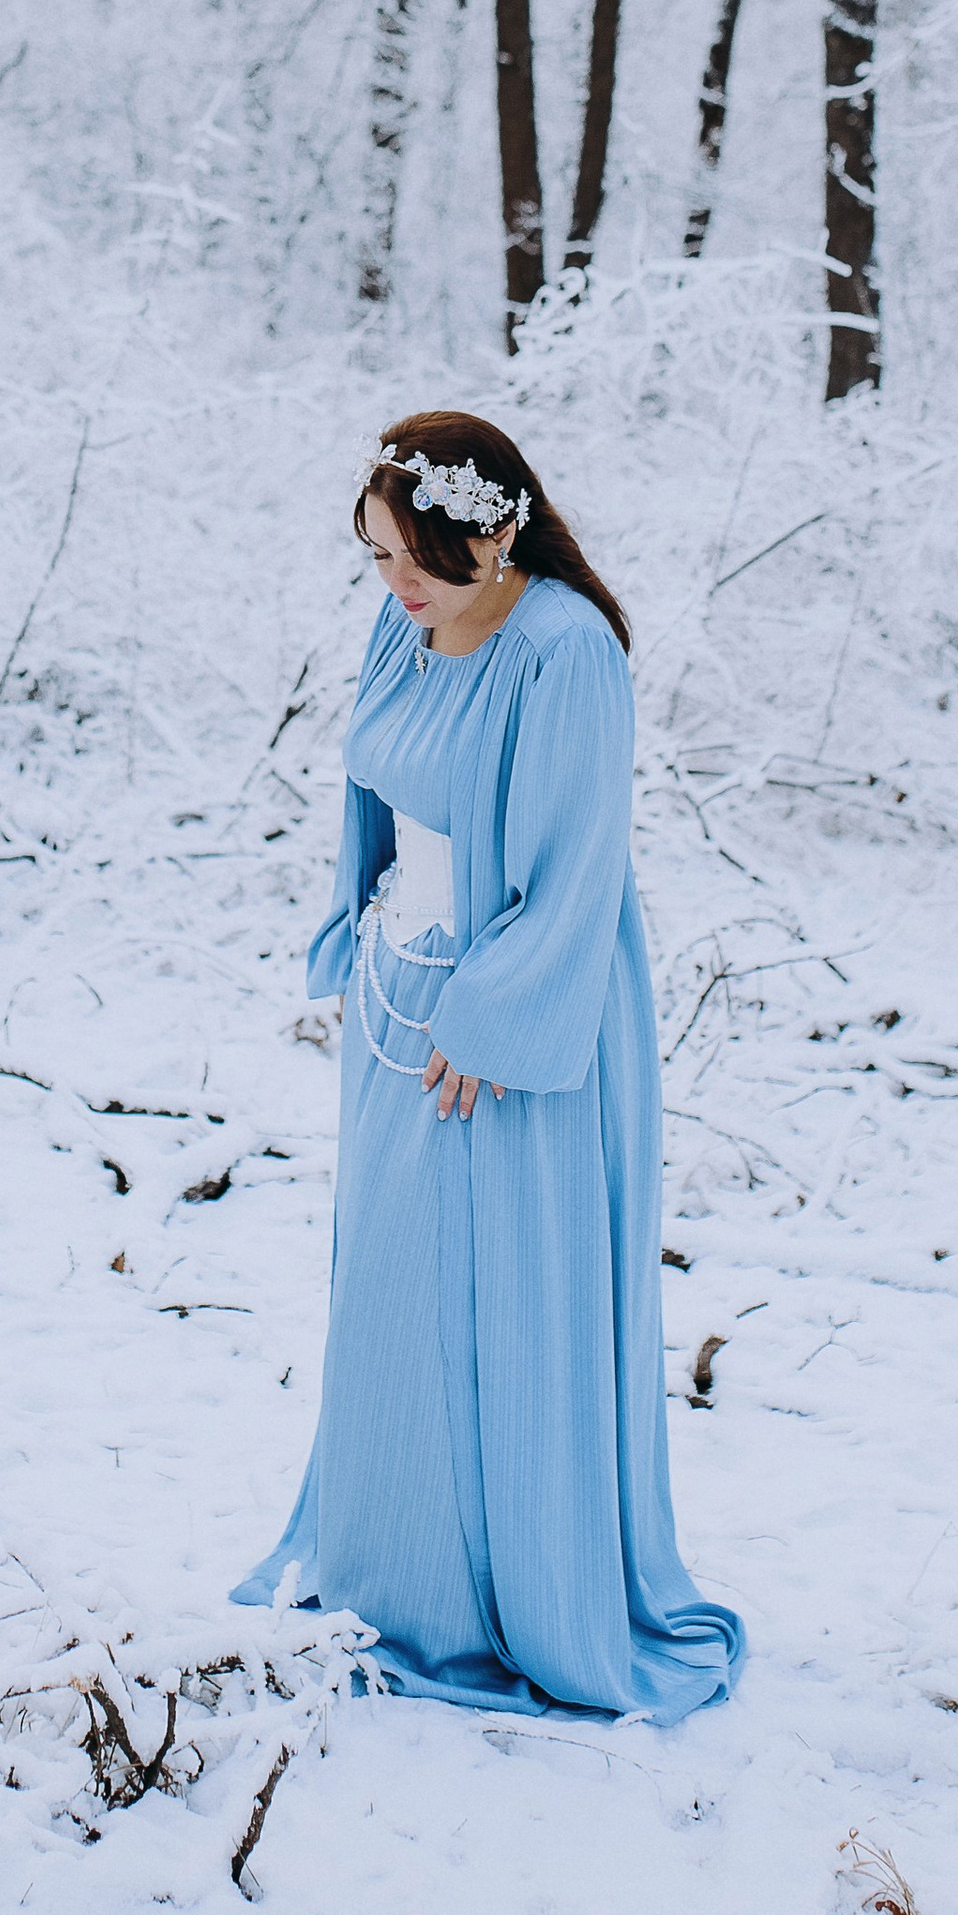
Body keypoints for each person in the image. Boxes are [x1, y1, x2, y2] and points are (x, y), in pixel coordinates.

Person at [235, 411, 744, 1722]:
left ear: (498, 531)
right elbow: (372, 782)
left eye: (418, 557)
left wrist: (493, 1019)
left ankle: (498, 1594)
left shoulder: (566, 653)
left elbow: (580, 867)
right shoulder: (401, 624)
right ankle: (383, 1570)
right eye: (377, 556)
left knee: (501, 1301)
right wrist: (358, 938)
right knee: (392, 1293)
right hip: (396, 997)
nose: (395, 584)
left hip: (511, 1028)